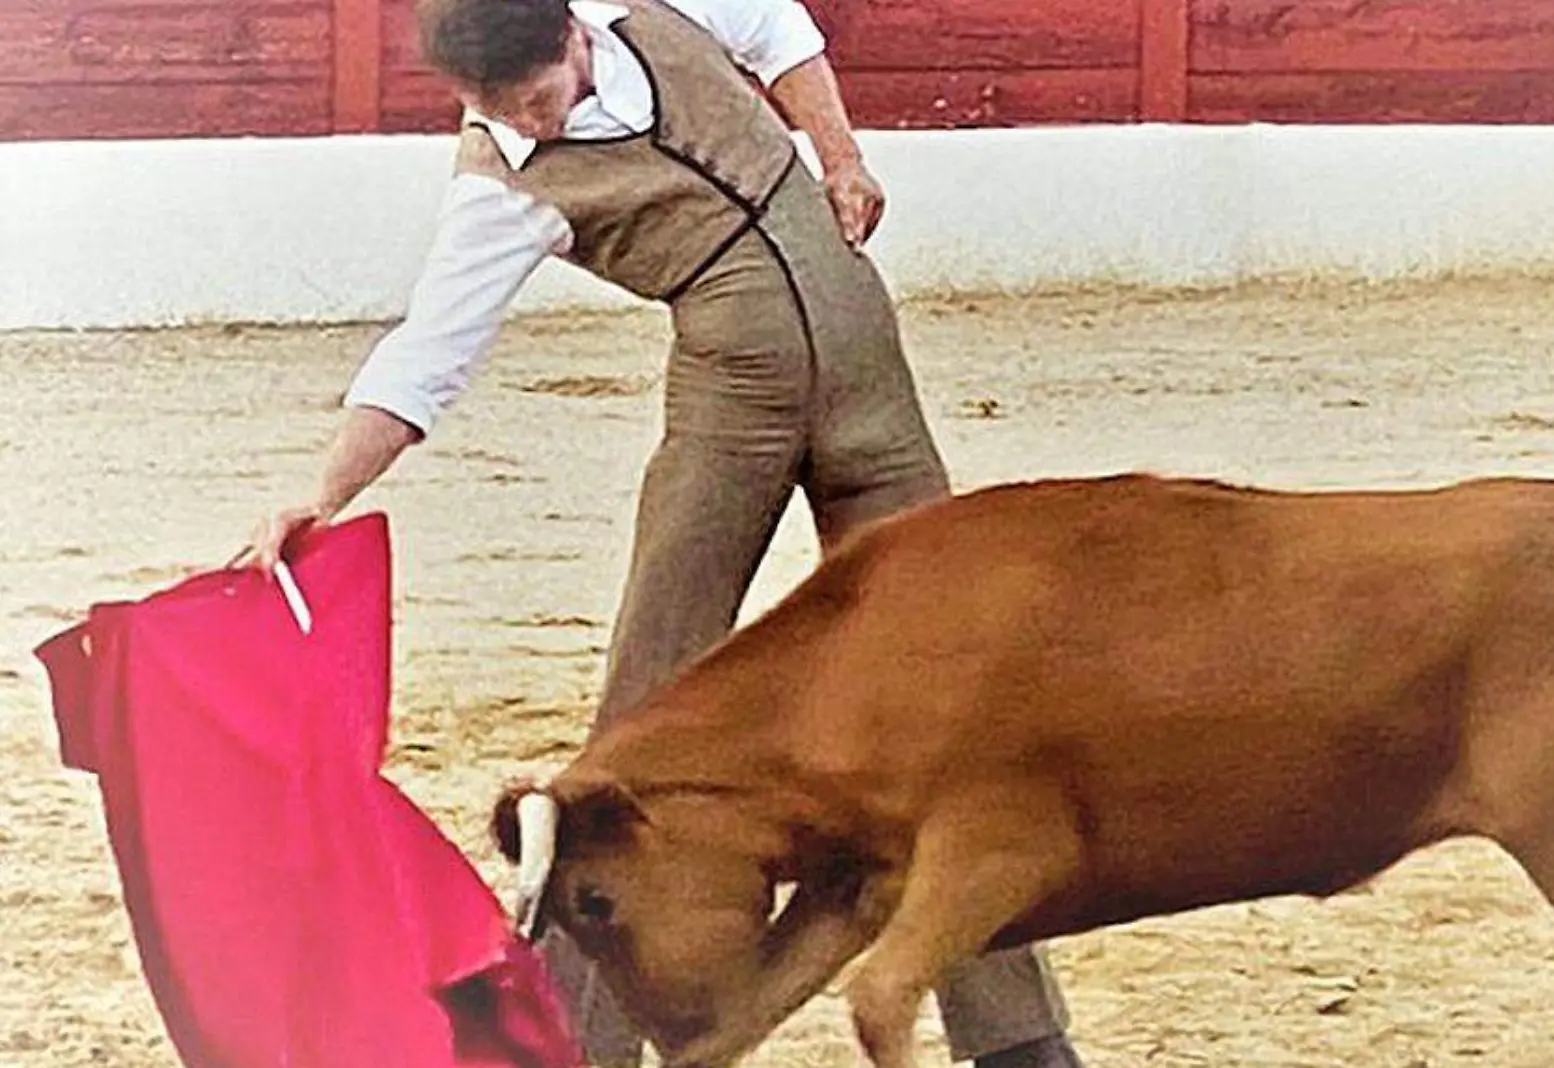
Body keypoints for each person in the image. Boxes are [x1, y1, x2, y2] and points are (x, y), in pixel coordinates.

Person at [241, 1, 1085, 1066]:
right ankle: (571, 1044)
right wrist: (325, 493)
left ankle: (1016, 1040)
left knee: (955, 707)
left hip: (877, 400)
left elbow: (779, 30)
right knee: (647, 716)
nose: (528, 128)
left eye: (538, 99)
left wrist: (841, 156)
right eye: (495, 112)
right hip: (732, 410)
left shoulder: (650, 5)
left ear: (572, 36)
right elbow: (429, 354)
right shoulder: (502, 185)